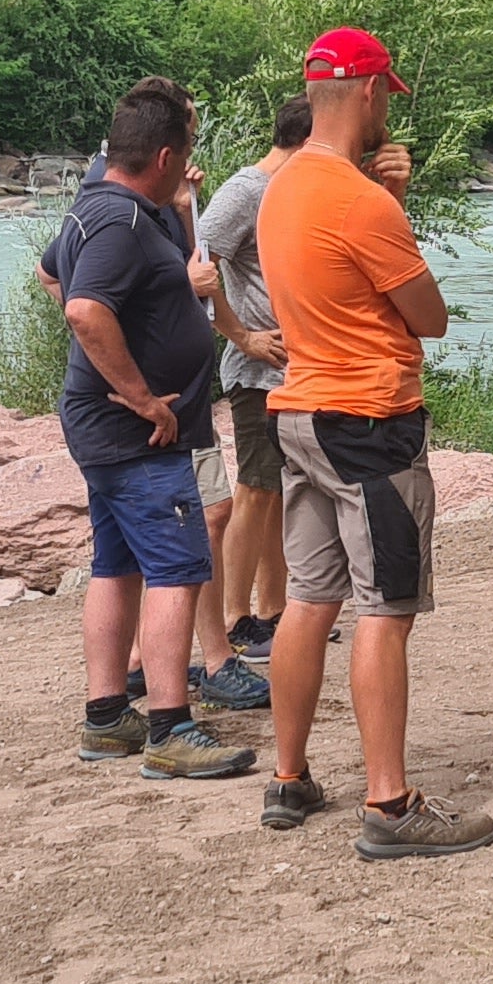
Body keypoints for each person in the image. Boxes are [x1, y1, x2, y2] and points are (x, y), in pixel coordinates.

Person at [256, 26, 492, 859]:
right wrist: (394, 203)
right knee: (383, 612)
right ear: (365, 93)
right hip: (368, 420)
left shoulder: (282, 186)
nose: (390, 104)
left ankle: (288, 777)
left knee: (308, 600)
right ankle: (389, 805)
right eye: (387, 91)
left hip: (301, 414)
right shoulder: (364, 203)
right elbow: (428, 317)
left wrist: (379, 188)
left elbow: (337, 270)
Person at [56, 76, 253, 784]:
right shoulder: (122, 222)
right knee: (176, 566)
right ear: (166, 155)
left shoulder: (94, 209)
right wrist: (140, 395)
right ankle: (171, 726)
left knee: (118, 565)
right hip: (140, 436)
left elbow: (54, 278)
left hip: (104, 429)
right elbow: (81, 309)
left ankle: (107, 718)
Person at [190, 96, 311, 689]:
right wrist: (239, 334)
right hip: (256, 370)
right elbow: (199, 261)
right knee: (257, 489)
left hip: (295, 370)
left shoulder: (290, 191)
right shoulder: (247, 190)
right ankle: (238, 618)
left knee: (282, 492)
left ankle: (276, 609)